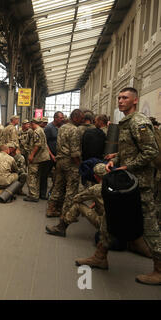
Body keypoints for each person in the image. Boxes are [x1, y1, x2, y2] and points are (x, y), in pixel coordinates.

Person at [75, 87, 161, 285]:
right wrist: (116, 159)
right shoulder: (126, 122)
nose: (121, 101)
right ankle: (100, 256)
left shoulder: (139, 122)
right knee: (110, 216)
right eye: (119, 98)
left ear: (135, 101)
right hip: (127, 181)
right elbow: (130, 149)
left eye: (125, 98)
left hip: (139, 185)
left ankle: (159, 269)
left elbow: (150, 151)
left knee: (149, 226)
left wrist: (127, 165)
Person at [46, 163, 106, 237]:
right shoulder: (114, 184)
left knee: (77, 205)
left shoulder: (97, 188)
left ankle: (61, 228)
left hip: (103, 223)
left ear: (96, 176)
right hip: (116, 225)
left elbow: (78, 198)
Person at [46, 109, 84, 216]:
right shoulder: (75, 130)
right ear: (75, 117)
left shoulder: (62, 128)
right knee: (71, 188)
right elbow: (75, 152)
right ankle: (66, 213)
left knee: (58, 186)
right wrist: (79, 165)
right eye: (81, 118)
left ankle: (51, 209)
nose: (82, 121)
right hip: (70, 162)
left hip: (60, 160)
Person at [24, 118, 51, 202]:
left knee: (32, 176)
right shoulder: (41, 130)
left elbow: (37, 145)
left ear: (33, 123)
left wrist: (31, 155)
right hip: (41, 158)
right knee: (37, 176)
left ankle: (33, 195)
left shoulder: (36, 131)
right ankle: (36, 194)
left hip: (37, 158)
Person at [39, 111, 64, 200]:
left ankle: (53, 194)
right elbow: (45, 143)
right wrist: (51, 155)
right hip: (49, 156)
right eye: (61, 118)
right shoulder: (49, 128)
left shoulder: (61, 128)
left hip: (58, 156)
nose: (62, 119)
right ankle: (42, 194)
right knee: (44, 174)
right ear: (56, 118)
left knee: (58, 176)